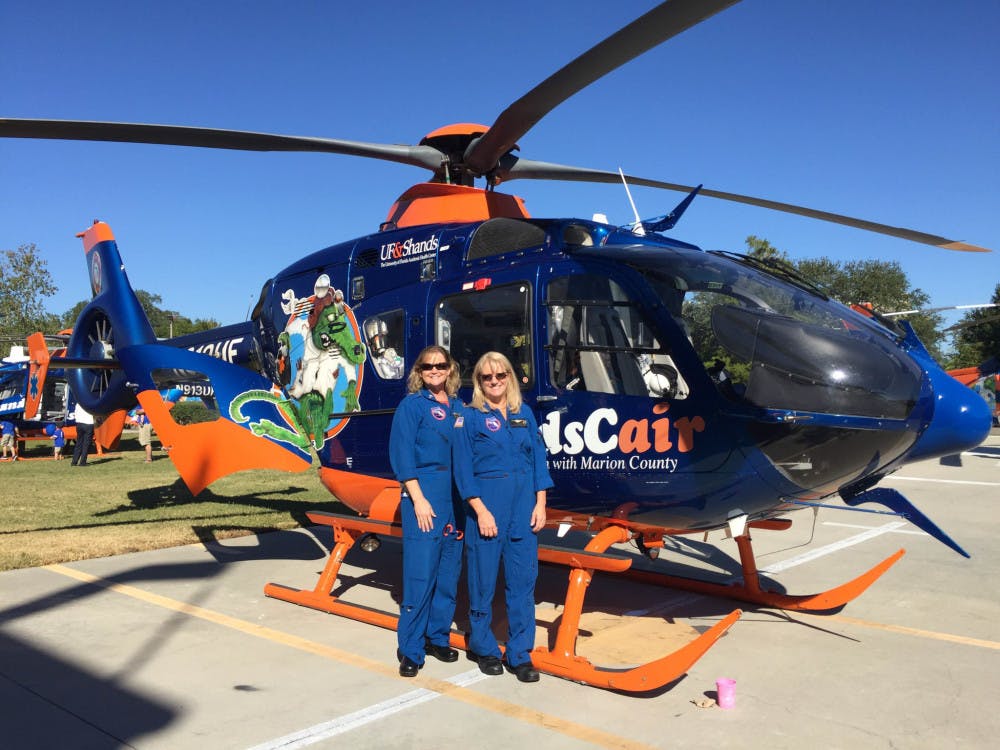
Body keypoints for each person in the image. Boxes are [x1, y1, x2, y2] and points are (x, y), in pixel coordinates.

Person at [453, 351, 553, 683]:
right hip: (488, 509)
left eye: (501, 375)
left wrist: (541, 504)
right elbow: (463, 471)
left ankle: (520, 652)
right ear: (479, 382)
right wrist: (480, 511)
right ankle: (482, 646)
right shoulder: (471, 418)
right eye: (486, 377)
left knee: (523, 583)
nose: (494, 381)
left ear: (510, 377)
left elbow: (539, 458)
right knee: (482, 582)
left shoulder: (524, 413)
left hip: (524, 509)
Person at [388, 345, 465, 678]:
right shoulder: (412, 407)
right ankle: (411, 648)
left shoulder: (461, 408)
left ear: (450, 369)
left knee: (448, 575)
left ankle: (436, 637)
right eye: (427, 366)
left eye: (441, 365)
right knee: (420, 575)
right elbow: (402, 456)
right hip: (426, 497)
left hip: (457, 501)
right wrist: (418, 499)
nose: (435, 370)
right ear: (418, 372)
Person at [71, 402, 95, 466]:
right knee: (86, 444)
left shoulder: (78, 403)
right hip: (88, 423)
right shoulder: (91, 402)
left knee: (79, 443)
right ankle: (82, 462)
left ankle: (74, 461)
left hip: (79, 423)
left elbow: (75, 413)